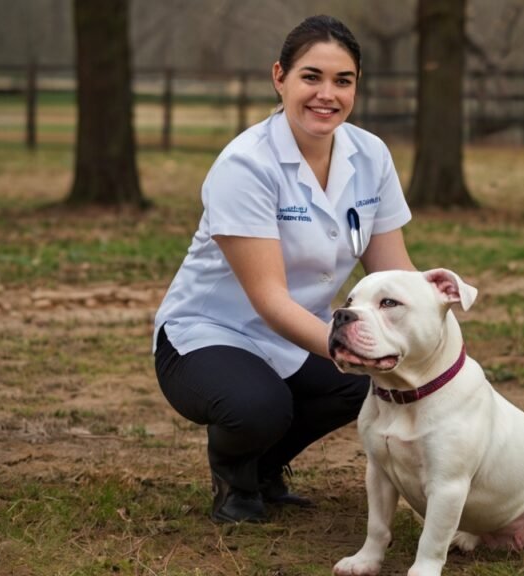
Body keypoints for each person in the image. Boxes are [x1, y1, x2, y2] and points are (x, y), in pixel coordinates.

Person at [153, 14, 414, 524]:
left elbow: (395, 271)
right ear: (280, 77)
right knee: (261, 406)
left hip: (297, 334)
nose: (327, 94)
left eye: (343, 81)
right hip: (207, 336)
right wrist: (352, 349)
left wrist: (427, 340)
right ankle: (234, 476)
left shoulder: (371, 155)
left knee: (374, 384)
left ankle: (265, 467)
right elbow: (270, 301)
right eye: (310, 77)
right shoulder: (245, 165)